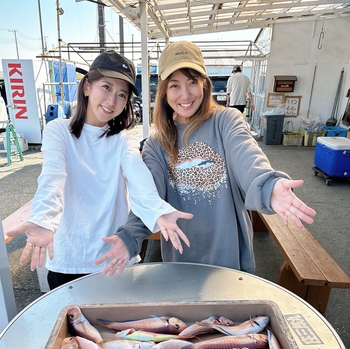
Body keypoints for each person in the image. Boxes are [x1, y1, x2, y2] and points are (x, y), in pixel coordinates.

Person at [97, 41, 316, 276]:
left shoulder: (226, 121)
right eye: (174, 85)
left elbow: (247, 154)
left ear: (205, 84)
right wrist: (129, 236)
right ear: (164, 91)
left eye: (192, 81)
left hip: (230, 261)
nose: (185, 94)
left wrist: (268, 185)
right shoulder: (156, 144)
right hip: (180, 262)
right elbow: (149, 197)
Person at [7, 50, 193, 289]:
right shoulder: (58, 131)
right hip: (67, 261)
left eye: (121, 95)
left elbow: (138, 177)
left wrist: (157, 210)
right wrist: (44, 219)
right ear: (87, 87)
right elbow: (52, 178)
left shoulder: (123, 139)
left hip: (115, 257)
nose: (112, 101)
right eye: (106, 87)